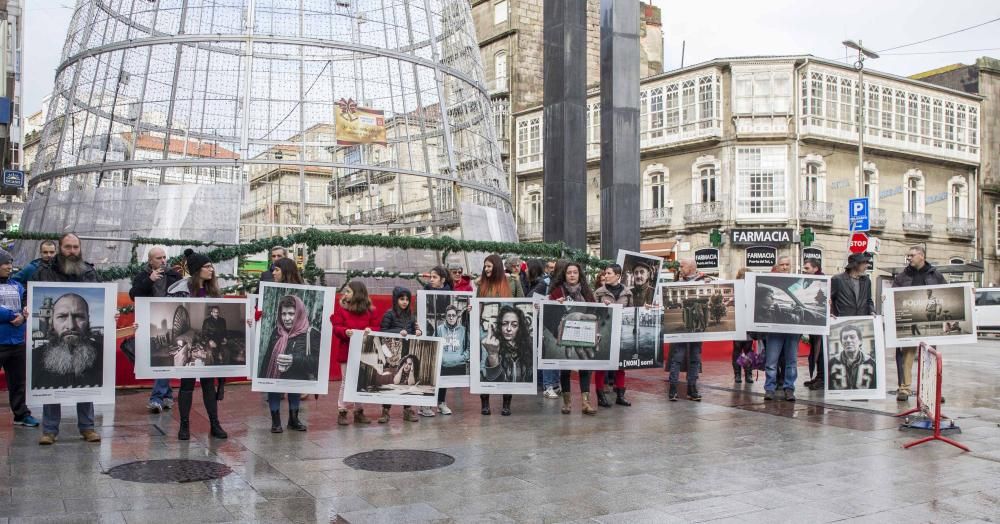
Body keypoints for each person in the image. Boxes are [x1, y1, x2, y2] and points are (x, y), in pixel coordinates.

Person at [35, 233, 102, 445]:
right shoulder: (44, 273)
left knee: (86, 378)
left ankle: (87, 427)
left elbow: (103, 295)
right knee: (50, 380)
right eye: (67, 247)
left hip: (82, 340)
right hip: (57, 339)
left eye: (75, 247)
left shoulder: (89, 272)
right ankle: (50, 430)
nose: (72, 251)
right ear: (60, 248)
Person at [166, 249, 228, 440]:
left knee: (209, 385)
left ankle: (215, 424)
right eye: (207, 266)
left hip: (206, 343)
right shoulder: (180, 293)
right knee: (187, 385)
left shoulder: (214, 292)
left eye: (211, 266)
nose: (212, 270)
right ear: (196, 270)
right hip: (195, 345)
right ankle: (184, 425)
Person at [259, 258, 317, 433]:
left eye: (276, 270)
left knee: (294, 386)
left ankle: (294, 419)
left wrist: (294, 359)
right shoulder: (275, 333)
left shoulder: (306, 332)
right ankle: (276, 421)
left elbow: (314, 359)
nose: (273, 273)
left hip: (296, 371)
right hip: (276, 371)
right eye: (273, 270)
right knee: (274, 388)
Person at [129, 246, 184, 413]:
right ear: (150, 261)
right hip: (148, 322)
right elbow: (134, 295)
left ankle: (156, 398)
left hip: (168, 319)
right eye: (159, 258)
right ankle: (167, 395)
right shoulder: (142, 276)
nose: (163, 260)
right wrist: (150, 280)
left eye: (164, 257)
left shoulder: (174, 275)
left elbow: (183, 294)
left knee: (164, 357)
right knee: (153, 358)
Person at [891, 245, 946, 402]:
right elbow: (893, 295)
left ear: (921, 256)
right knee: (906, 355)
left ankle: (930, 389)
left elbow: (948, 291)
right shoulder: (902, 277)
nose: (909, 258)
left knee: (930, 356)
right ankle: (904, 389)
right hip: (909, 322)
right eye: (908, 255)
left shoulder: (935, 275)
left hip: (930, 321)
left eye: (912, 255)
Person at [548, 261, 599, 415]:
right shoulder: (557, 292)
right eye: (569, 272)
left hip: (584, 336)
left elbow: (595, 311)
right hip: (564, 336)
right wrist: (555, 305)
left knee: (585, 369)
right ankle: (567, 404)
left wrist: (605, 305)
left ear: (579, 275)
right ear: (564, 274)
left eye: (575, 272)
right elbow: (548, 314)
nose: (572, 275)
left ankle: (585, 403)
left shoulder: (587, 292)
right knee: (565, 370)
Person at [330, 281, 379, 425]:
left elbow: (377, 326)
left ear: (357, 294)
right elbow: (336, 327)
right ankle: (342, 411)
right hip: (347, 351)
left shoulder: (370, 311)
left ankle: (359, 412)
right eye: (345, 291)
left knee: (360, 382)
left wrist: (371, 330)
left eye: (348, 291)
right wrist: (345, 331)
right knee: (346, 381)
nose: (345, 294)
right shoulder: (342, 310)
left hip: (364, 352)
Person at [825, 253, 875, 391]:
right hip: (843, 321)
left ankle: (857, 387)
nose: (866, 265)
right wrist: (831, 313)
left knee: (858, 355)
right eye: (864, 263)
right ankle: (843, 386)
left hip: (861, 320)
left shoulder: (866, 281)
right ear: (855, 265)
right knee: (844, 355)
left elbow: (869, 300)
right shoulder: (838, 280)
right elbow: (829, 299)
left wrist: (872, 311)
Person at [0, 249, 39, 428]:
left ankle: (21, 414)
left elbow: (26, 304)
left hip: (17, 342)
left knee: (18, 382)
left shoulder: (17, 285)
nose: (9, 267)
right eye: (5, 263)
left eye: (10, 263)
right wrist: (11, 316)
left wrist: (24, 315)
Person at [476, 254, 516, 415]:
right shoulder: (482, 286)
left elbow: (522, 303)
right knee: (485, 364)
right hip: (486, 331)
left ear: (497, 267)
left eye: (489, 266)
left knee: (507, 363)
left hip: (507, 331)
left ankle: (506, 404)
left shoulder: (513, 282)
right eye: (485, 266)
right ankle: (485, 403)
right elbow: (478, 305)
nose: (486, 269)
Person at [379, 286, 423, 420]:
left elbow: (414, 330)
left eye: (407, 299)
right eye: (401, 299)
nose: (405, 302)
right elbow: (382, 331)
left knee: (406, 383)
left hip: (406, 352)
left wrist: (418, 332)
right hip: (392, 355)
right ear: (395, 300)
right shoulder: (389, 314)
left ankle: (407, 410)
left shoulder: (411, 316)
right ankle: (385, 412)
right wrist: (397, 332)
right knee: (390, 383)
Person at [668, 258, 708, 402]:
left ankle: (692, 387)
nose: (680, 268)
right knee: (677, 357)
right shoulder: (677, 283)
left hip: (697, 326)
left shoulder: (704, 281)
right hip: (683, 326)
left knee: (695, 358)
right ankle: (673, 388)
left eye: (682, 266)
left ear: (691, 267)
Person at [762, 256, 800, 402]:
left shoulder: (793, 282)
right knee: (771, 361)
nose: (784, 267)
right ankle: (769, 389)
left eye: (787, 264)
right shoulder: (769, 283)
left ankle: (789, 389)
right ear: (776, 266)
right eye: (782, 264)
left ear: (791, 266)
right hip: (774, 330)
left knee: (791, 361)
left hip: (792, 331)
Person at [593, 264, 633, 407]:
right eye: (605, 273)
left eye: (609, 273)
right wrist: (603, 309)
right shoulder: (599, 292)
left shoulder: (627, 293)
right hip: (603, 333)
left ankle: (620, 396)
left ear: (617, 276)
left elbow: (631, 313)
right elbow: (592, 313)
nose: (606, 276)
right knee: (601, 364)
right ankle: (600, 396)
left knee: (620, 365)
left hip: (621, 333)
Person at [423, 265, 455, 415]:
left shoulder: (450, 294)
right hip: (428, 334)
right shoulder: (425, 292)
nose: (431, 280)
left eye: (434, 277)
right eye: (430, 277)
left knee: (442, 371)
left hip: (444, 336)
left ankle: (441, 402)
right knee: (429, 369)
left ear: (442, 279)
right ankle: (426, 404)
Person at [802, 259, 826, 391]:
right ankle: (818, 376)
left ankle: (822, 377)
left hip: (820, 322)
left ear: (815, 269)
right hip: (814, 322)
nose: (804, 270)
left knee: (820, 350)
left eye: (807, 268)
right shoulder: (810, 283)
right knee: (815, 351)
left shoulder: (822, 283)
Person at [828, 325, 876, 390]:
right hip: (839, 399)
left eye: (852, 337)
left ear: (860, 341)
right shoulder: (832, 362)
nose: (848, 340)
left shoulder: (871, 363)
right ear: (841, 342)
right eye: (845, 338)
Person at [732, 268, 754, 384]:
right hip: (738, 323)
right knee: (737, 349)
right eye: (743, 277)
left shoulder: (753, 289)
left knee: (748, 350)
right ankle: (737, 374)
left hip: (749, 324)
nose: (745, 279)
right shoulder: (735, 288)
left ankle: (748, 374)